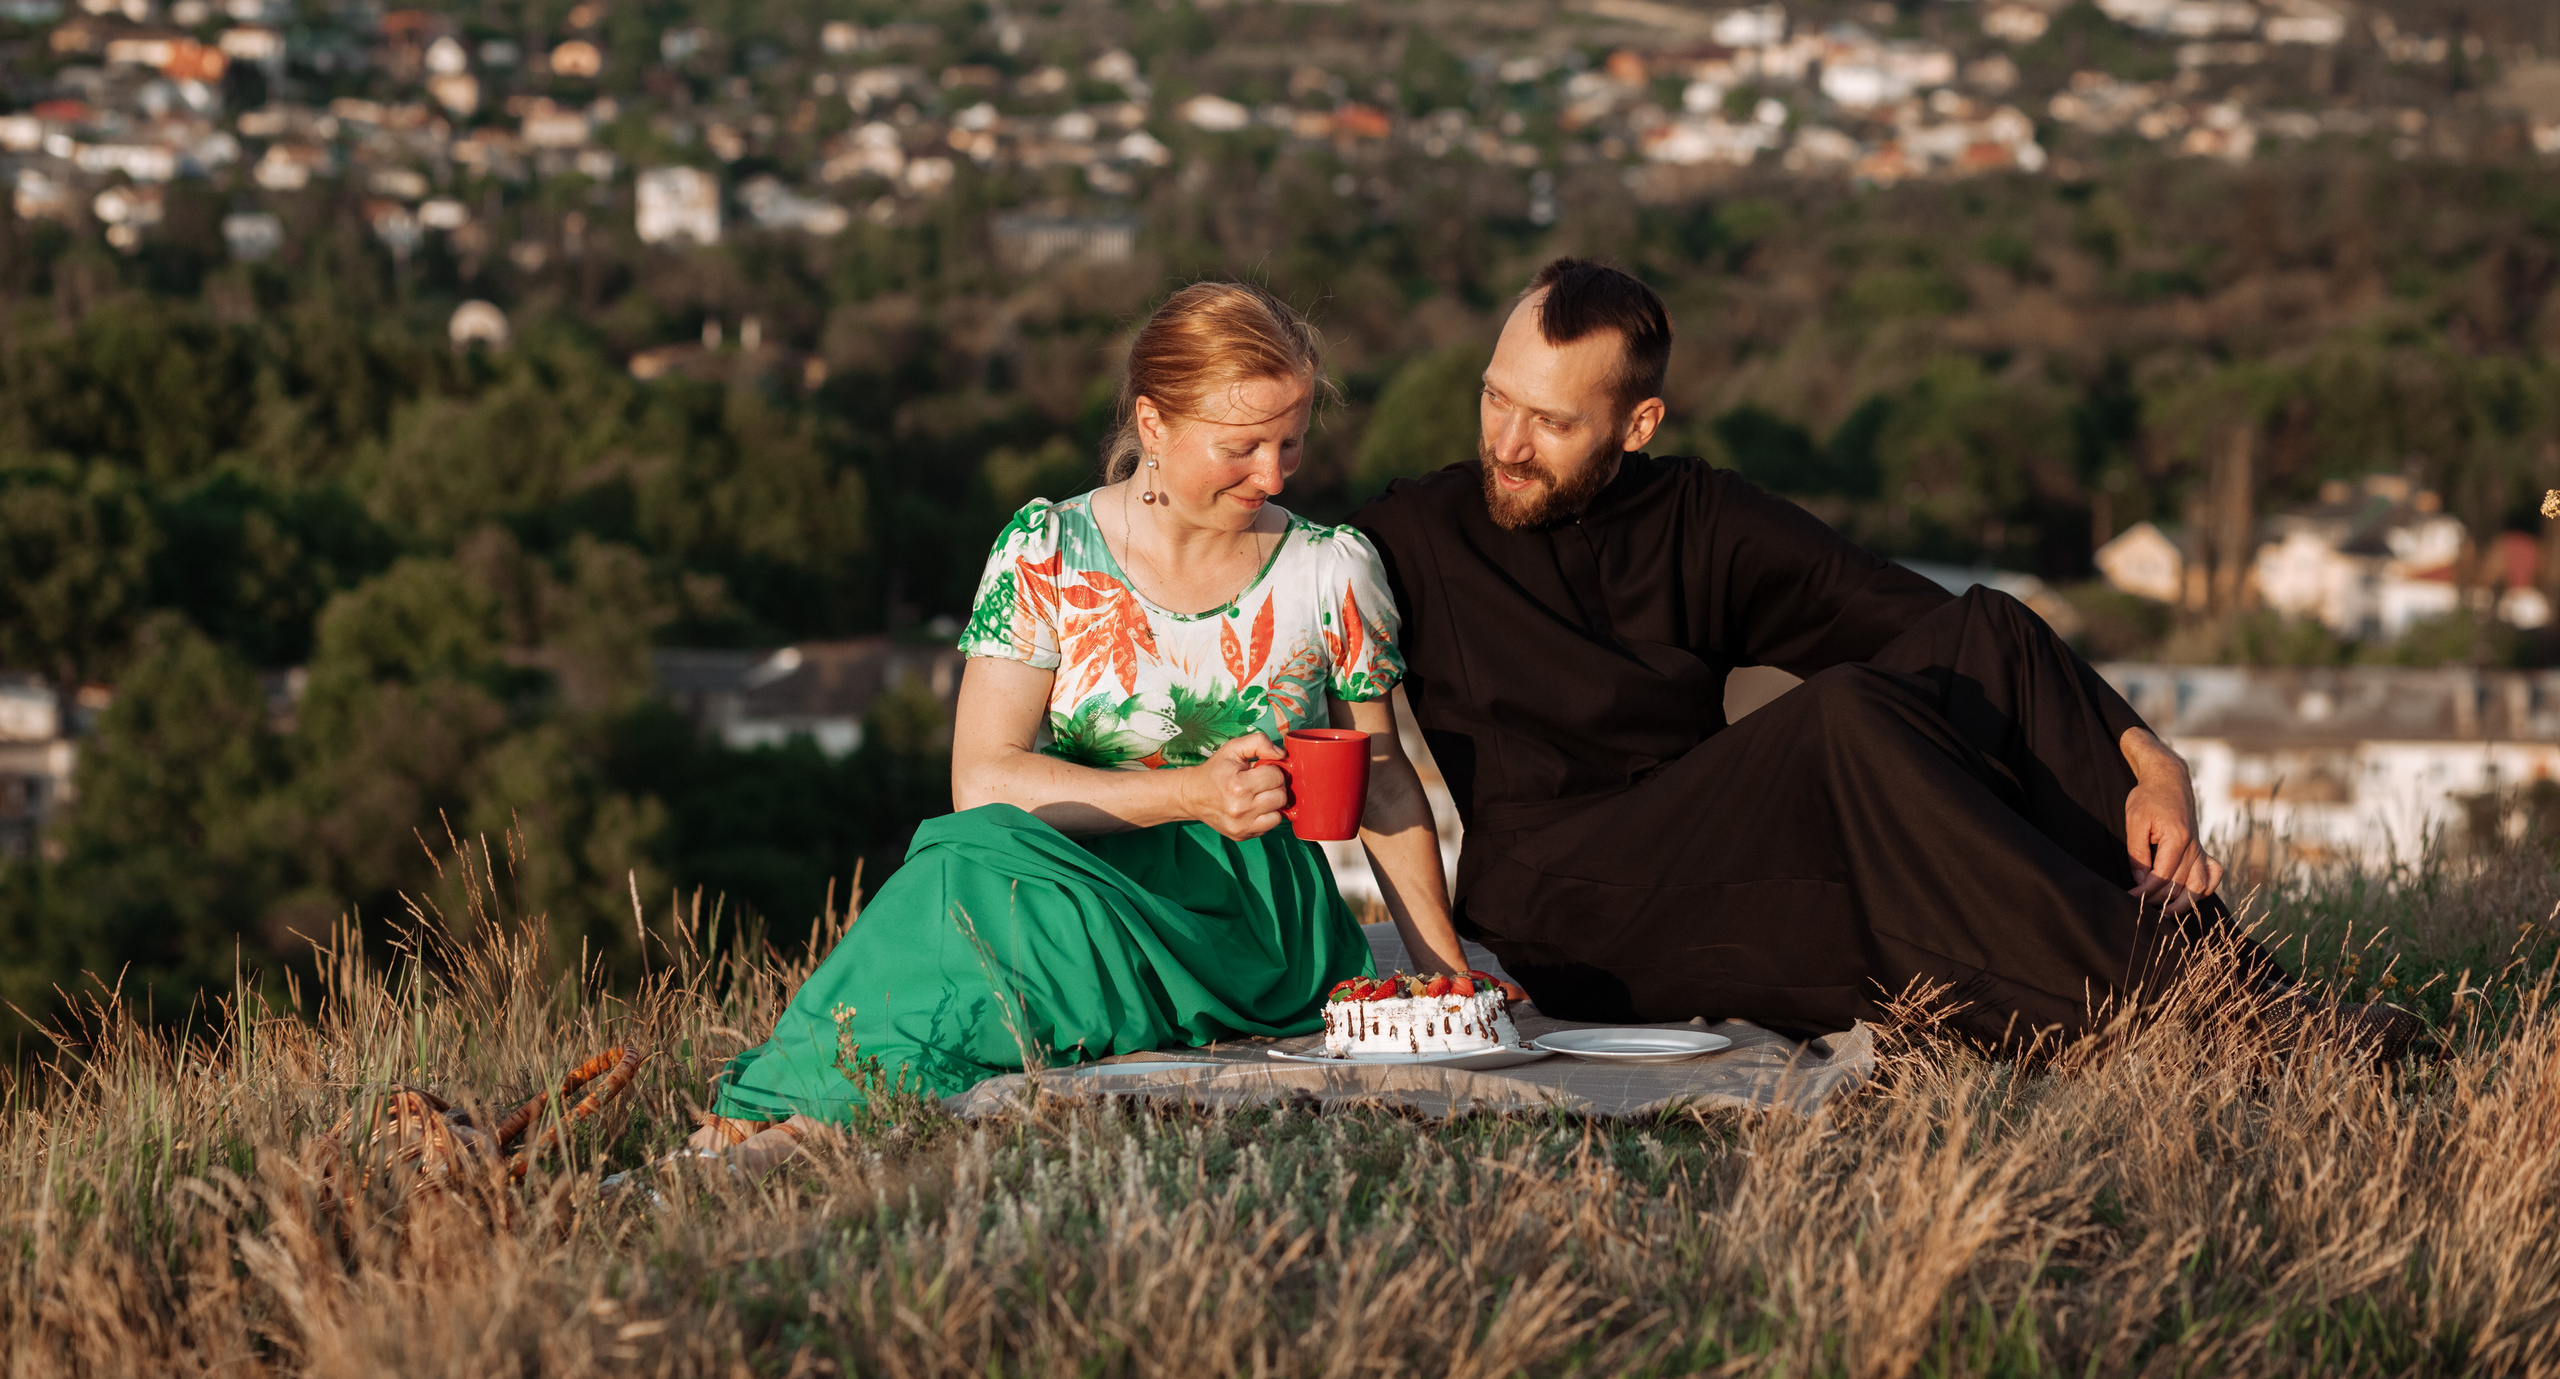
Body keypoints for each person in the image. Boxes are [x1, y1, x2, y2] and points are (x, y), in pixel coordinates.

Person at [1347, 256, 2363, 1053]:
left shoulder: (1704, 517)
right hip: (1556, 902)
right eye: (1496, 401)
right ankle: (2195, 1016)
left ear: (1637, 424)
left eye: (1553, 422)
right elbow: (1262, 584)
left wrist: (2153, 764)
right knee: (1845, 719)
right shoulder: (1415, 533)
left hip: (1710, 850)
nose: (1509, 445)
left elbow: (1933, 624)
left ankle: (2241, 984)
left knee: (1990, 631)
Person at [692, 282, 1478, 1164]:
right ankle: (772, 1125)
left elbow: (1378, 775)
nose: (1273, 474)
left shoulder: (1332, 570)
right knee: (955, 868)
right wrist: (1190, 791)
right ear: (1153, 424)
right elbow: (982, 781)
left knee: (981, 929)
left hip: (1244, 921)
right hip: (1074, 868)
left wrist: (1445, 972)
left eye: (1290, 442)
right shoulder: (1047, 551)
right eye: (1242, 445)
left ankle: (769, 1132)